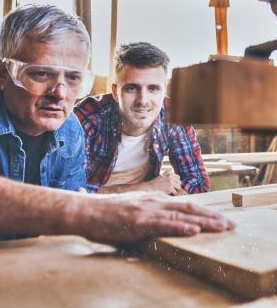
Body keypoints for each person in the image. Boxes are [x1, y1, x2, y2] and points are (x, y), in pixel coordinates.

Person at [0, 4, 234, 244]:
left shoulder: (69, 132)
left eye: (73, 77)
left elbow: (67, 225)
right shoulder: (85, 118)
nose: (60, 93)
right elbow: (78, 205)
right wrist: (116, 203)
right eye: (42, 73)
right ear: (3, 73)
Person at [75, 42, 210, 196]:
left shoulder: (173, 114)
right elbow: (71, 189)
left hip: (146, 210)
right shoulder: (87, 116)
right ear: (115, 92)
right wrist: (148, 189)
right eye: (132, 88)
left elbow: (198, 181)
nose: (143, 100)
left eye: (153, 88)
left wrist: (170, 190)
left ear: (164, 90)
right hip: (94, 213)